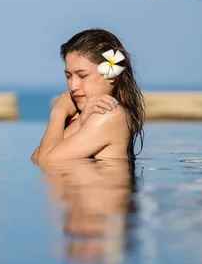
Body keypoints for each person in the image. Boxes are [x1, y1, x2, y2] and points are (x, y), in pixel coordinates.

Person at [31, 28, 145, 163]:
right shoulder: (82, 114)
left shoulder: (109, 114)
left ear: (112, 74)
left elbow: (46, 162)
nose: (73, 86)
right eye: (68, 76)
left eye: (82, 76)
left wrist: (58, 111)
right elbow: (37, 157)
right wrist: (80, 121)